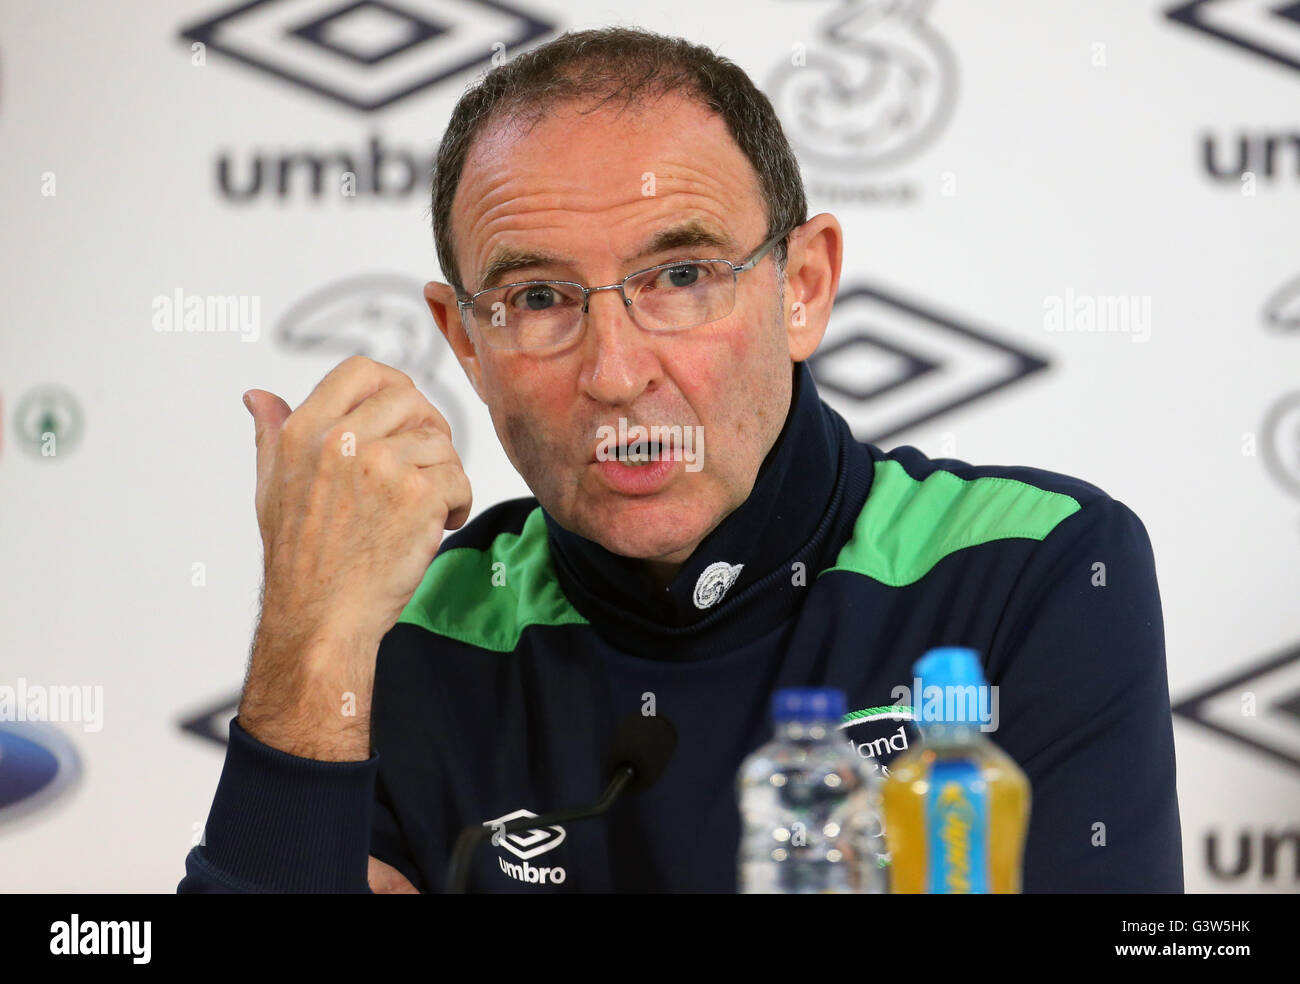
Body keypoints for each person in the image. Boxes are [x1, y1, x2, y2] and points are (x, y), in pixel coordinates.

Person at [178, 26, 1183, 894]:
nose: (614, 373)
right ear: (465, 344)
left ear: (803, 286)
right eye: (537, 299)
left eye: (681, 277)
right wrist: (313, 639)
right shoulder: (409, 628)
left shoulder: (1038, 566)